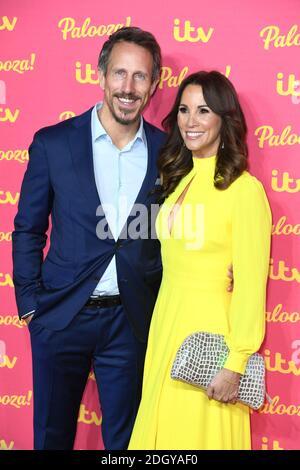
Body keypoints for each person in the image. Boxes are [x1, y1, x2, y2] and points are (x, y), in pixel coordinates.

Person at [12, 27, 165, 450]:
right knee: (52, 436)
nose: (128, 88)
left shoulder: (168, 151)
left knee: (127, 444)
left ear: (153, 85)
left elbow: (176, 231)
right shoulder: (53, 143)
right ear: (100, 75)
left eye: (140, 76)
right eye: (119, 73)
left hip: (131, 322)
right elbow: (27, 228)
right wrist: (29, 304)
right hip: (60, 316)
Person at [128, 71, 272, 450]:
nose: (190, 121)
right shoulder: (176, 182)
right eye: (184, 110)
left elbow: (251, 284)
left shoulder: (244, 190)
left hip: (210, 341)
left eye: (203, 110)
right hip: (166, 328)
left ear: (225, 118)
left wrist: (236, 362)